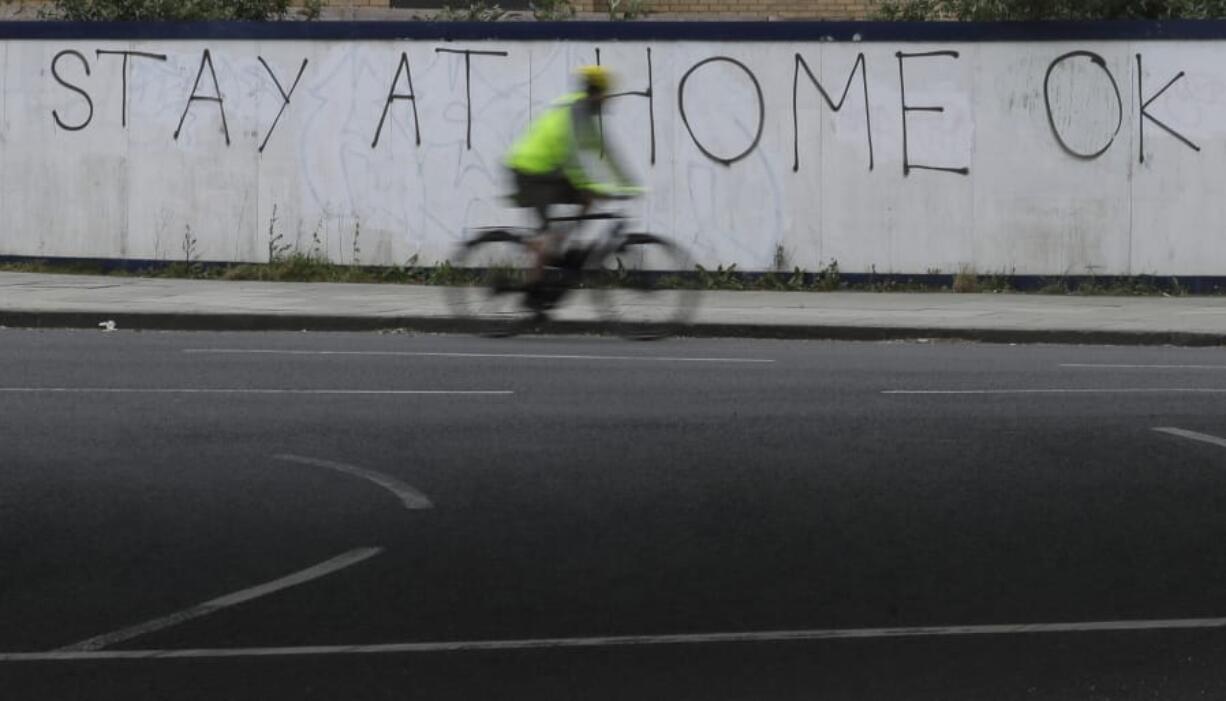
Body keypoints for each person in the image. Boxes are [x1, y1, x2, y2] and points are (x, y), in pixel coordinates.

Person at [504, 65, 639, 283]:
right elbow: (571, 157)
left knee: (585, 200)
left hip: (546, 170)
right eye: (607, 94)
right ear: (597, 92)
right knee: (548, 233)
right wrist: (589, 187)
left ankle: (560, 245)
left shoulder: (584, 112)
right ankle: (532, 285)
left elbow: (604, 149)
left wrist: (629, 184)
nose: (609, 100)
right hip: (530, 170)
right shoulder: (575, 112)